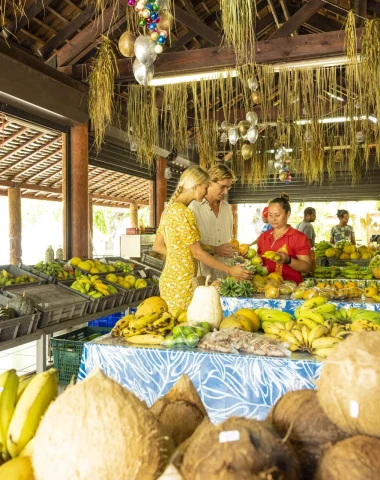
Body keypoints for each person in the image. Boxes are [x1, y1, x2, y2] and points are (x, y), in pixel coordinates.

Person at [153, 166, 251, 310]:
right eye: (205, 187)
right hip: (183, 282)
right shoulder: (186, 213)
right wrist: (230, 269)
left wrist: (181, 255)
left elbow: (159, 246)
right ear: (195, 186)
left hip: (171, 279)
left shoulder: (169, 210)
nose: (205, 191)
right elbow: (197, 252)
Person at [189, 164, 237, 281]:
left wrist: (236, 251)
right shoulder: (193, 208)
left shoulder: (227, 208)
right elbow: (189, 247)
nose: (225, 192)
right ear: (210, 182)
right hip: (202, 277)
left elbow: (228, 240)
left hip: (224, 277)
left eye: (228, 188)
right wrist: (215, 249)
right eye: (222, 187)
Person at [257, 193, 311, 284]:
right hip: (266, 289)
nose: (273, 219)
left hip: (291, 290)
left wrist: (288, 260)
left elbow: (306, 267)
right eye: (270, 215)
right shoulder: (263, 236)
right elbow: (259, 261)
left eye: (277, 215)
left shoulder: (299, 237)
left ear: (288, 214)